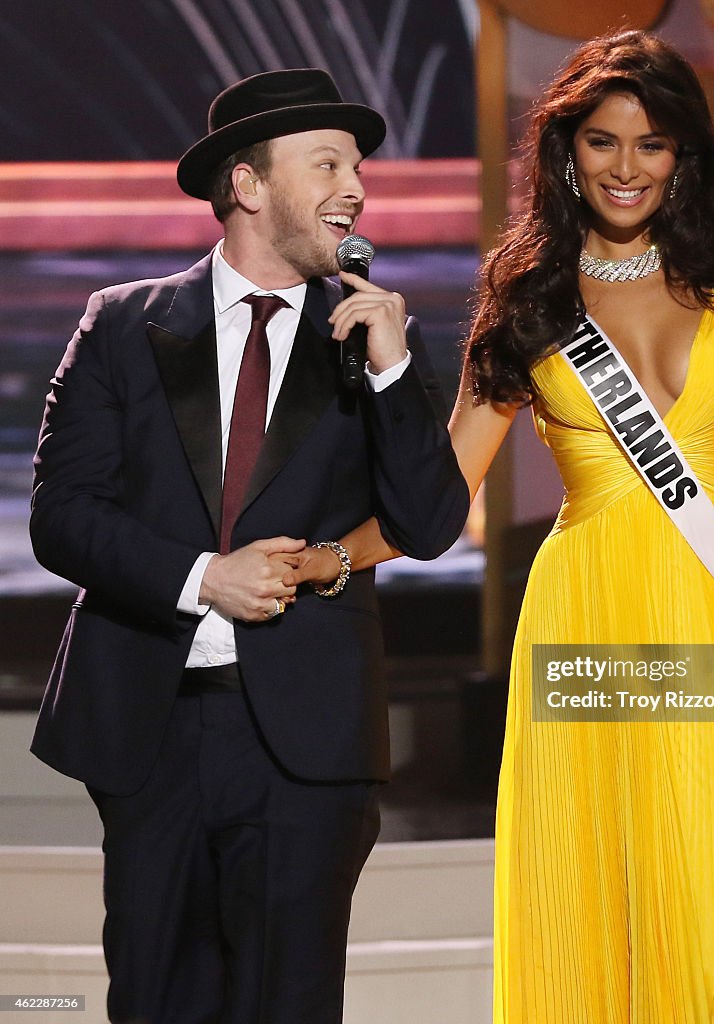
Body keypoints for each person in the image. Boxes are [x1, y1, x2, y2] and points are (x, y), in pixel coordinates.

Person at [288, 28, 714, 1023]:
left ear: (682, 156)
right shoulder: (530, 302)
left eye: (650, 144)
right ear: (566, 152)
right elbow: (437, 497)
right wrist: (331, 556)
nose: (625, 166)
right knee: (599, 880)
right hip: (586, 618)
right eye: (601, 142)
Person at [29, 68, 469, 1024]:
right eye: (326, 163)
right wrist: (202, 579)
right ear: (248, 184)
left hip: (309, 734)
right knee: (157, 999)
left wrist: (394, 374)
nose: (354, 185)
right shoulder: (123, 323)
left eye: (357, 166)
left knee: (290, 1002)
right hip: (153, 723)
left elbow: (431, 524)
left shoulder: (377, 336)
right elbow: (63, 514)